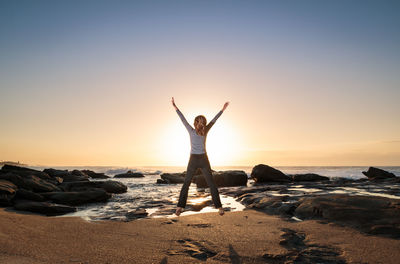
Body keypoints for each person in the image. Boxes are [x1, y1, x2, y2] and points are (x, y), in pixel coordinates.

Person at [171, 97, 229, 216]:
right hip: (201, 159)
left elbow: (183, 119)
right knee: (209, 183)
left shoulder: (193, 130)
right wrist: (222, 109)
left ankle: (179, 208)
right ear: (203, 123)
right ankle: (219, 208)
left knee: (189, 183)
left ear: (195, 123)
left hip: (196, 159)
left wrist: (175, 107)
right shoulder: (204, 130)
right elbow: (214, 119)